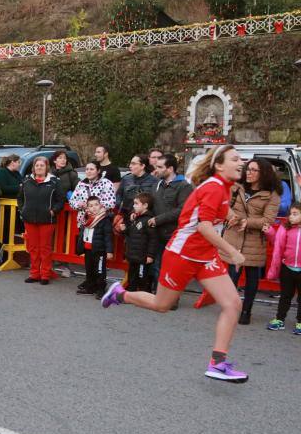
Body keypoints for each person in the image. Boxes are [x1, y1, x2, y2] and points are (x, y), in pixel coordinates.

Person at [101, 145, 250, 383]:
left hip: (204, 256)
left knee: (232, 304)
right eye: (235, 159)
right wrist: (232, 252)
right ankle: (120, 294)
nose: (241, 162)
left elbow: (212, 211)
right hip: (183, 253)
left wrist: (233, 217)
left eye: (241, 159)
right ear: (219, 165)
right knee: (162, 305)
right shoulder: (214, 187)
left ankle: (218, 363)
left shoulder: (223, 187)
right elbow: (203, 226)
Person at [221, 158, 281, 325]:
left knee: (252, 278)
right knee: (231, 276)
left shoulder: (272, 194)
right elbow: (225, 205)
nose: (249, 172)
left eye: (254, 170)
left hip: (254, 240)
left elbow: (269, 219)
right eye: (248, 169)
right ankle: (230, 309)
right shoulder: (236, 187)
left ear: (264, 173)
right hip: (234, 237)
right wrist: (232, 217)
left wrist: (247, 222)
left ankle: (246, 311)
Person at [149, 154, 193, 298]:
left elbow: (182, 210)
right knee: (157, 265)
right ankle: (159, 295)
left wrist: (158, 219)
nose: (157, 170)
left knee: (173, 268)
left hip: (174, 234)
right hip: (157, 233)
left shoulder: (184, 186)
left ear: (170, 168)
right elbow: (151, 204)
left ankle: (172, 298)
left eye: (160, 167)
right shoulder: (157, 184)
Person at [18, 156, 65, 285]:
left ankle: (45, 274)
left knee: (45, 249)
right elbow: (20, 198)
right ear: (33, 167)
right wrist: (22, 210)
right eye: (37, 165)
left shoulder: (54, 181)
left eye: (42, 165)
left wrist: (53, 211)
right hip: (29, 219)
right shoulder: (27, 180)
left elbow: (60, 200)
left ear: (46, 167)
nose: (39, 167)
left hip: (47, 220)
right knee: (33, 248)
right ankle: (34, 274)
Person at [265, 202, 301, 335]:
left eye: (295, 214)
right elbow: (277, 243)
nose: (291, 217)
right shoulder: (286, 228)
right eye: (290, 214)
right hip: (287, 268)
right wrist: (269, 232)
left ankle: (300, 322)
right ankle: (280, 319)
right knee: (285, 296)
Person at [117, 192, 157, 292]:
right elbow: (131, 233)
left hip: (143, 256)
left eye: (136, 203)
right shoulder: (135, 218)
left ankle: (143, 294)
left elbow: (153, 239)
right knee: (132, 275)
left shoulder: (148, 220)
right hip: (133, 254)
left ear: (145, 205)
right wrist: (124, 229)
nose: (133, 205)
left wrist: (150, 255)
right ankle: (131, 292)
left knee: (142, 276)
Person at [75, 196, 114, 298]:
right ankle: (90, 287)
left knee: (100, 270)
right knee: (89, 269)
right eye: (91, 206)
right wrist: (81, 247)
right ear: (87, 208)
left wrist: (109, 251)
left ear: (100, 205)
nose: (94, 207)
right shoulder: (86, 218)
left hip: (100, 250)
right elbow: (82, 234)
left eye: (96, 205)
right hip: (88, 249)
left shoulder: (104, 219)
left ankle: (101, 289)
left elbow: (108, 237)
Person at [69, 161, 116, 229]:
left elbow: (111, 203)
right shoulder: (81, 184)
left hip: (101, 222)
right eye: (87, 169)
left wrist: (92, 205)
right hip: (84, 223)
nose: (88, 171)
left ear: (98, 171)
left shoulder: (106, 183)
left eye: (91, 169)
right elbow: (72, 201)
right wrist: (79, 205)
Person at [117, 153, 158, 223]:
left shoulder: (154, 181)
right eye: (130, 163)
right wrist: (117, 212)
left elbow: (155, 202)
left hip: (144, 219)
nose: (130, 166)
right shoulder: (126, 179)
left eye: (133, 164)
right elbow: (118, 196)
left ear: (142, 166)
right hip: (126, 218)